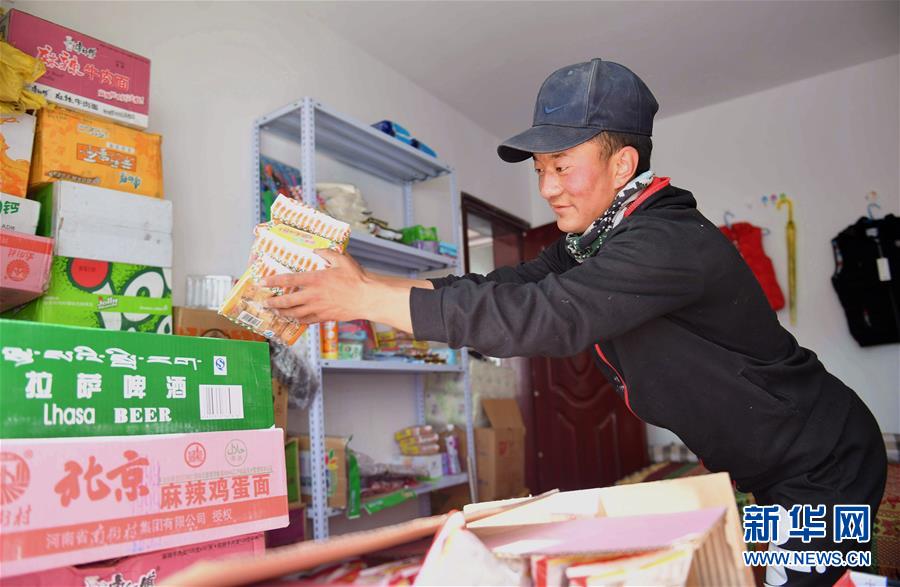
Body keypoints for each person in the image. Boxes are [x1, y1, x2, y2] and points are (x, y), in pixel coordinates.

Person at [264, 58, 887, 586]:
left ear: (622, 164)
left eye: (562, 166)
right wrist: (365, 285)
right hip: (766, 465)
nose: (547, 187)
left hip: (825, 464)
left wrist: (362, 301)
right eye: (539, 169)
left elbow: (544, 316)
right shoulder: (595, 239)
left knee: (787, 579)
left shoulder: (666, 241)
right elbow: (503, 287)